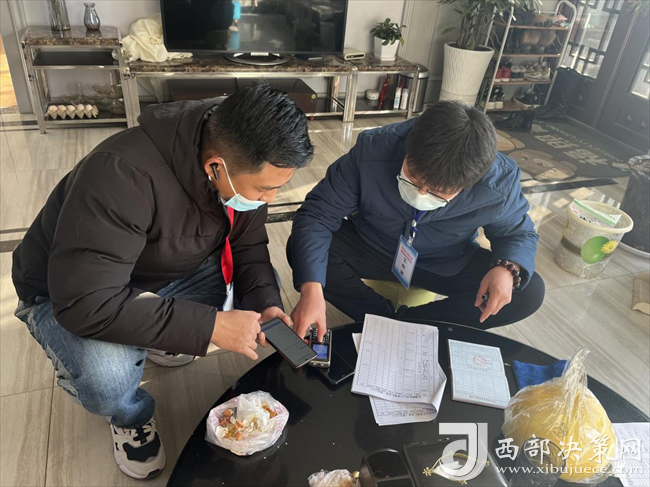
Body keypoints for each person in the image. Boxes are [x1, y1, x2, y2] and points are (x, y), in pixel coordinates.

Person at [12, 84, 313, 480]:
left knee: (258, 287)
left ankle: (158, 334)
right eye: (264, 189)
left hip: (161, 270)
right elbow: (86, 302)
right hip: (66, 293)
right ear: (215, 167)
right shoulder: (120, 174)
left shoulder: (237, 154)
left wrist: (265, 304)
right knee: (106, 378)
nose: (270, 199)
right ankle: (130, 417)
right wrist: (208, 326)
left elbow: (248, 248)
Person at [287, 101, 544, 342]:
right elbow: (317, 215)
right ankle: (380, 317)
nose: (421, 193)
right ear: (409, 146)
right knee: (305, 251)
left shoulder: (499, 184)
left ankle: (415, 324)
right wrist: (311, 289)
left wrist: (507, 267)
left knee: (527, 291)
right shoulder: (373, 150)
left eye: (438, 192)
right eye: (413, 178)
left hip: (446, 260)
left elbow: (518, 234)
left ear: (468, 184)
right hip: (373, 245)